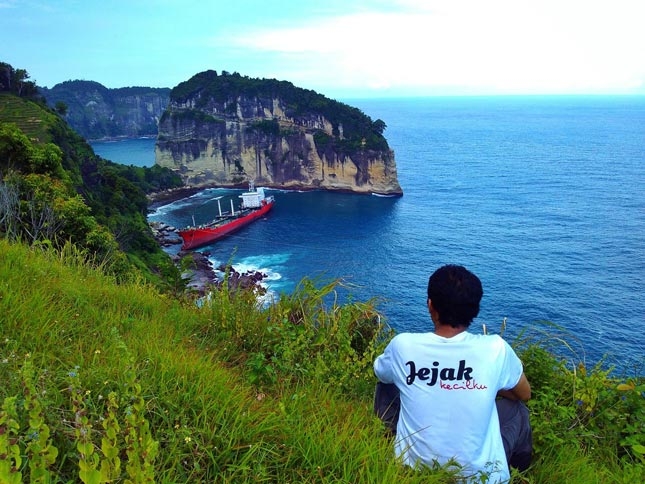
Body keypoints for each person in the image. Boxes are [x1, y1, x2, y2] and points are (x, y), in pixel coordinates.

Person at [373, 264, 532, 483]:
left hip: (413, 471)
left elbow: (381, 373)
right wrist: (483, 386)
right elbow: (524, 394)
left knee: (386, 383)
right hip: (482, 478)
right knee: (517, 410)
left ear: (431, 305)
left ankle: (387, 437)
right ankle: (519, 471)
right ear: (475, 309)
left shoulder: (403, 346)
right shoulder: (496, 348)